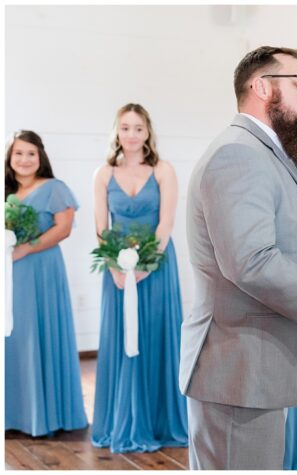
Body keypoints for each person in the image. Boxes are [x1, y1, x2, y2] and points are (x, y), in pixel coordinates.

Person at [181, 46, 297, 470]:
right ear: (263, 88)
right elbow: (251, 261)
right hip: (238, 366)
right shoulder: (238, 153)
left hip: (252, 365)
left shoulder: (266, 153)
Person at [90, 103, 188, 453]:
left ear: (148, 133)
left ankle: (161, 421)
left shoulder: (163, 170)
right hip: (116, 270)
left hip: (157, 267)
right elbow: (101, 228)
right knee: (121, 339)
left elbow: (166, 224)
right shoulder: (103, 173)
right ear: (116, 131)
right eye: (125, 127)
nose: (131, 135)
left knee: (156, 334)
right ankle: (122, 419)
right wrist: (116, 269)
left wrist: (147, 266)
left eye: (138, 128)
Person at [4, 130, 88, 437]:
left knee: (37, 335)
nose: (24, 160)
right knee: (11, 340)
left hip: (41, 271)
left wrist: (27, 247)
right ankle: (12, 416)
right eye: (18, 153)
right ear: (9, 158)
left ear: (41, 158)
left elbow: (63, 229)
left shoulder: (55, 188)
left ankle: (45, 417)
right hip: (9, 275)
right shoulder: (4, 190)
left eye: (31, 153)